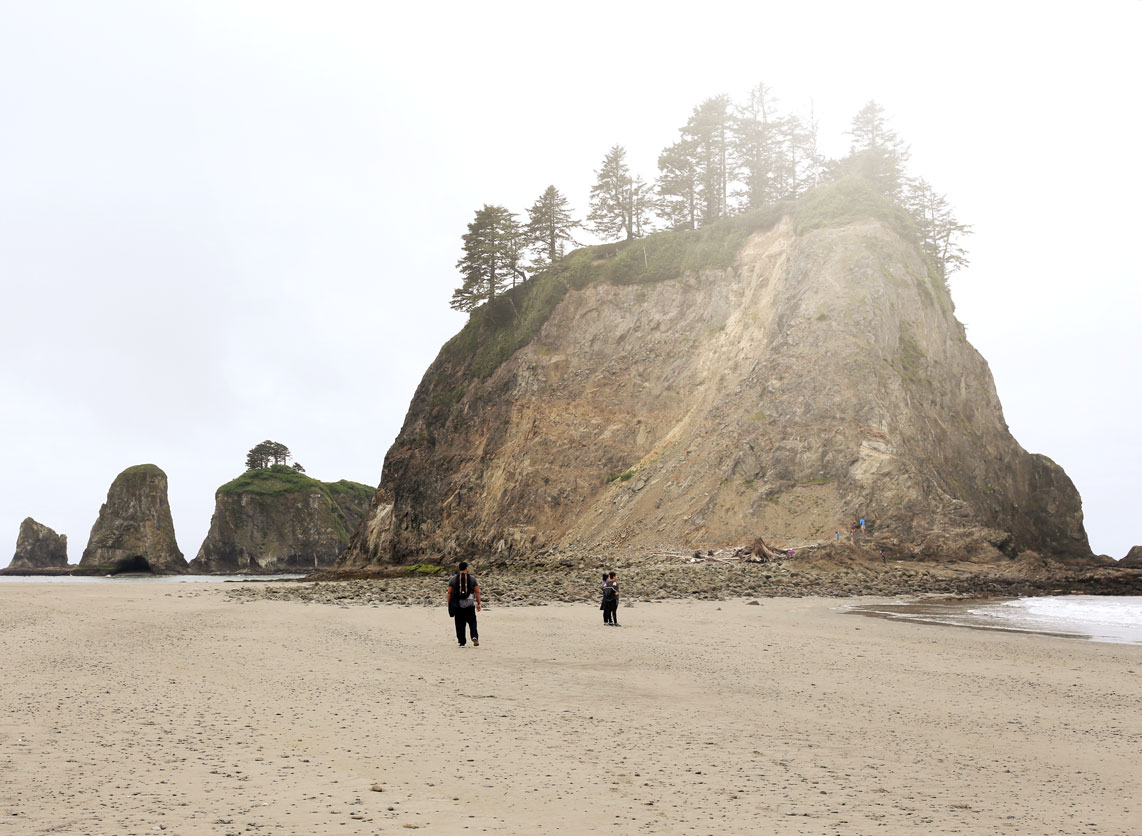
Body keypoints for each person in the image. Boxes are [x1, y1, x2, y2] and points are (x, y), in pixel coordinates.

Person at [446, 561, 482, 647]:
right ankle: (474, 636)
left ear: (459, 569)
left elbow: (449, 592)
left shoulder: (453, 579)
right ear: (466, 568)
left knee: (459, 624)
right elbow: (477, 592)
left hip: (458, 605)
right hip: (470, 604)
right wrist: (479, 603)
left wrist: (449, 603)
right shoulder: (472, 579)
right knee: (472, 622)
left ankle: (462, 642)